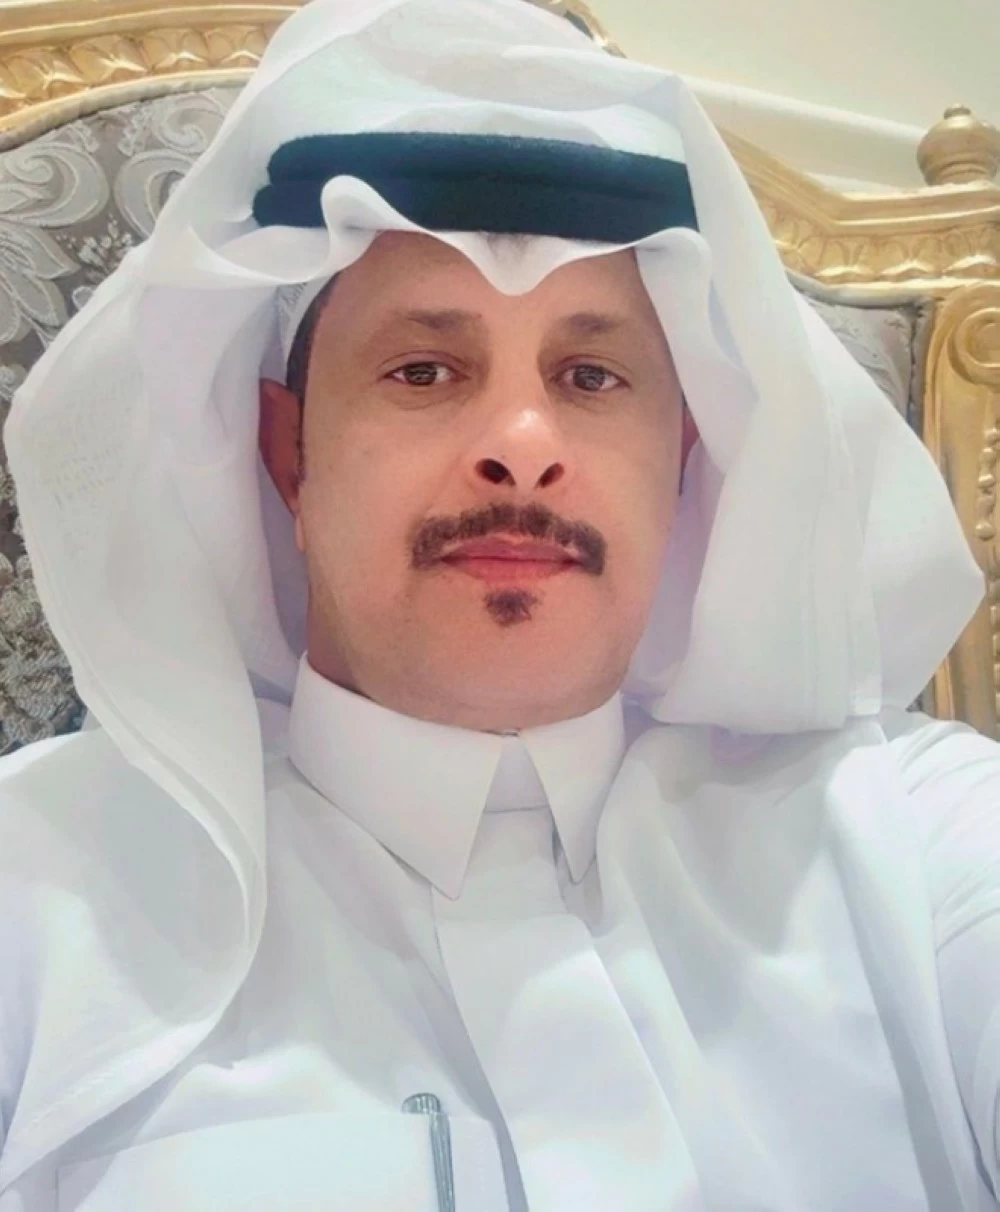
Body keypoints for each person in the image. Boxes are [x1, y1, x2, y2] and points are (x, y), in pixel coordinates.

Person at [0, 0, 998, 1207]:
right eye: (423, 370)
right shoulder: (37, 890)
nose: (522, 444)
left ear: (681, 462)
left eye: (591, 375)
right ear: (289, 459)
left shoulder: (912, 840)